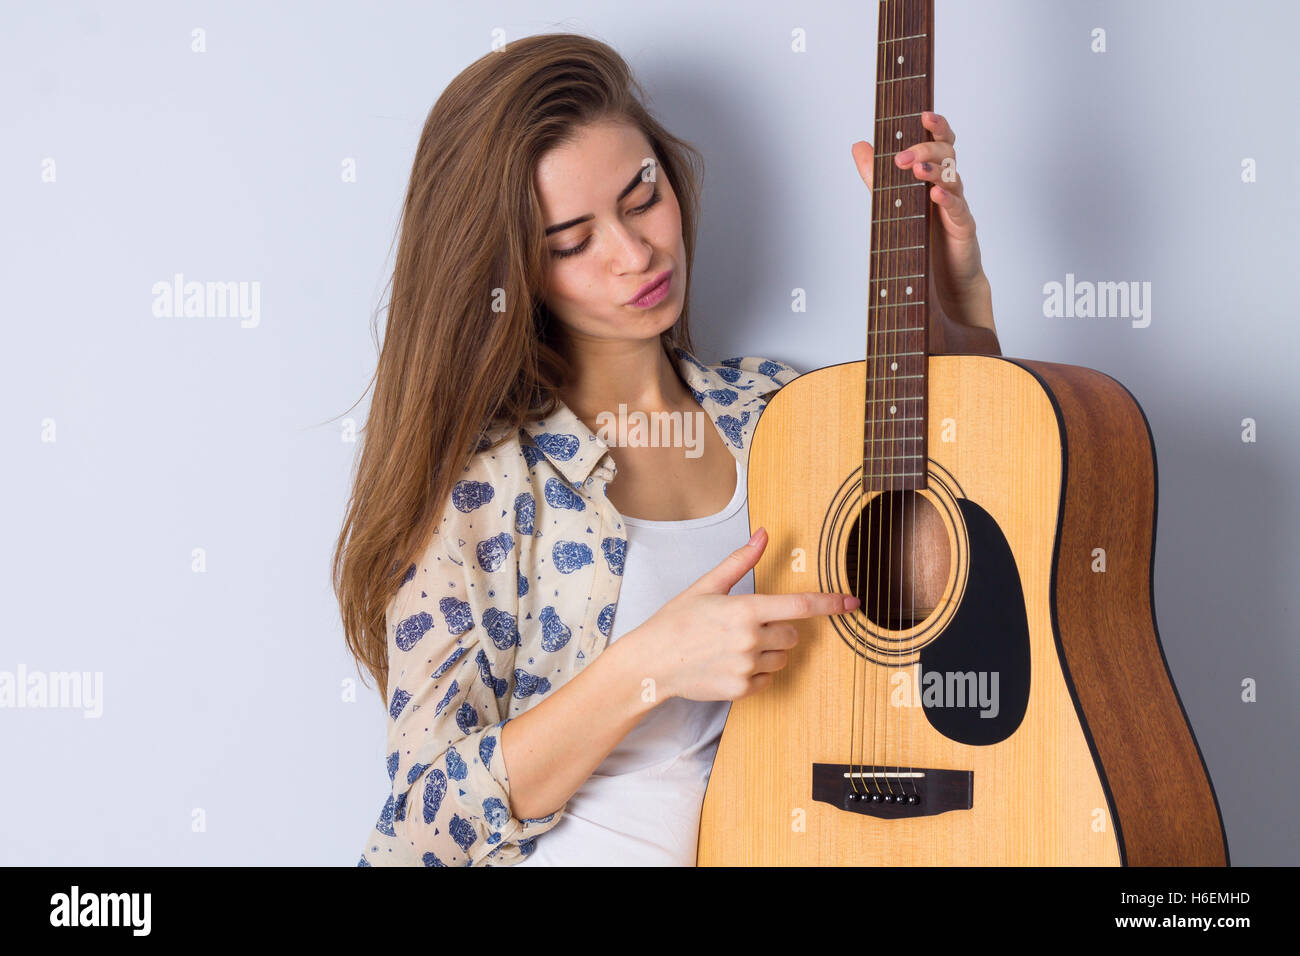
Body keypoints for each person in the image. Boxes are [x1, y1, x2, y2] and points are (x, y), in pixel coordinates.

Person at [339, 32, 999, 867]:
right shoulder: (482, 488)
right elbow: (420, 827)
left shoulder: (780, 413)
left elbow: (967, 542)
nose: (635, 253)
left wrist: (958, 298)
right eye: (572, 242)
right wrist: (651, 665)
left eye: (641, 195)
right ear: (511, 270)